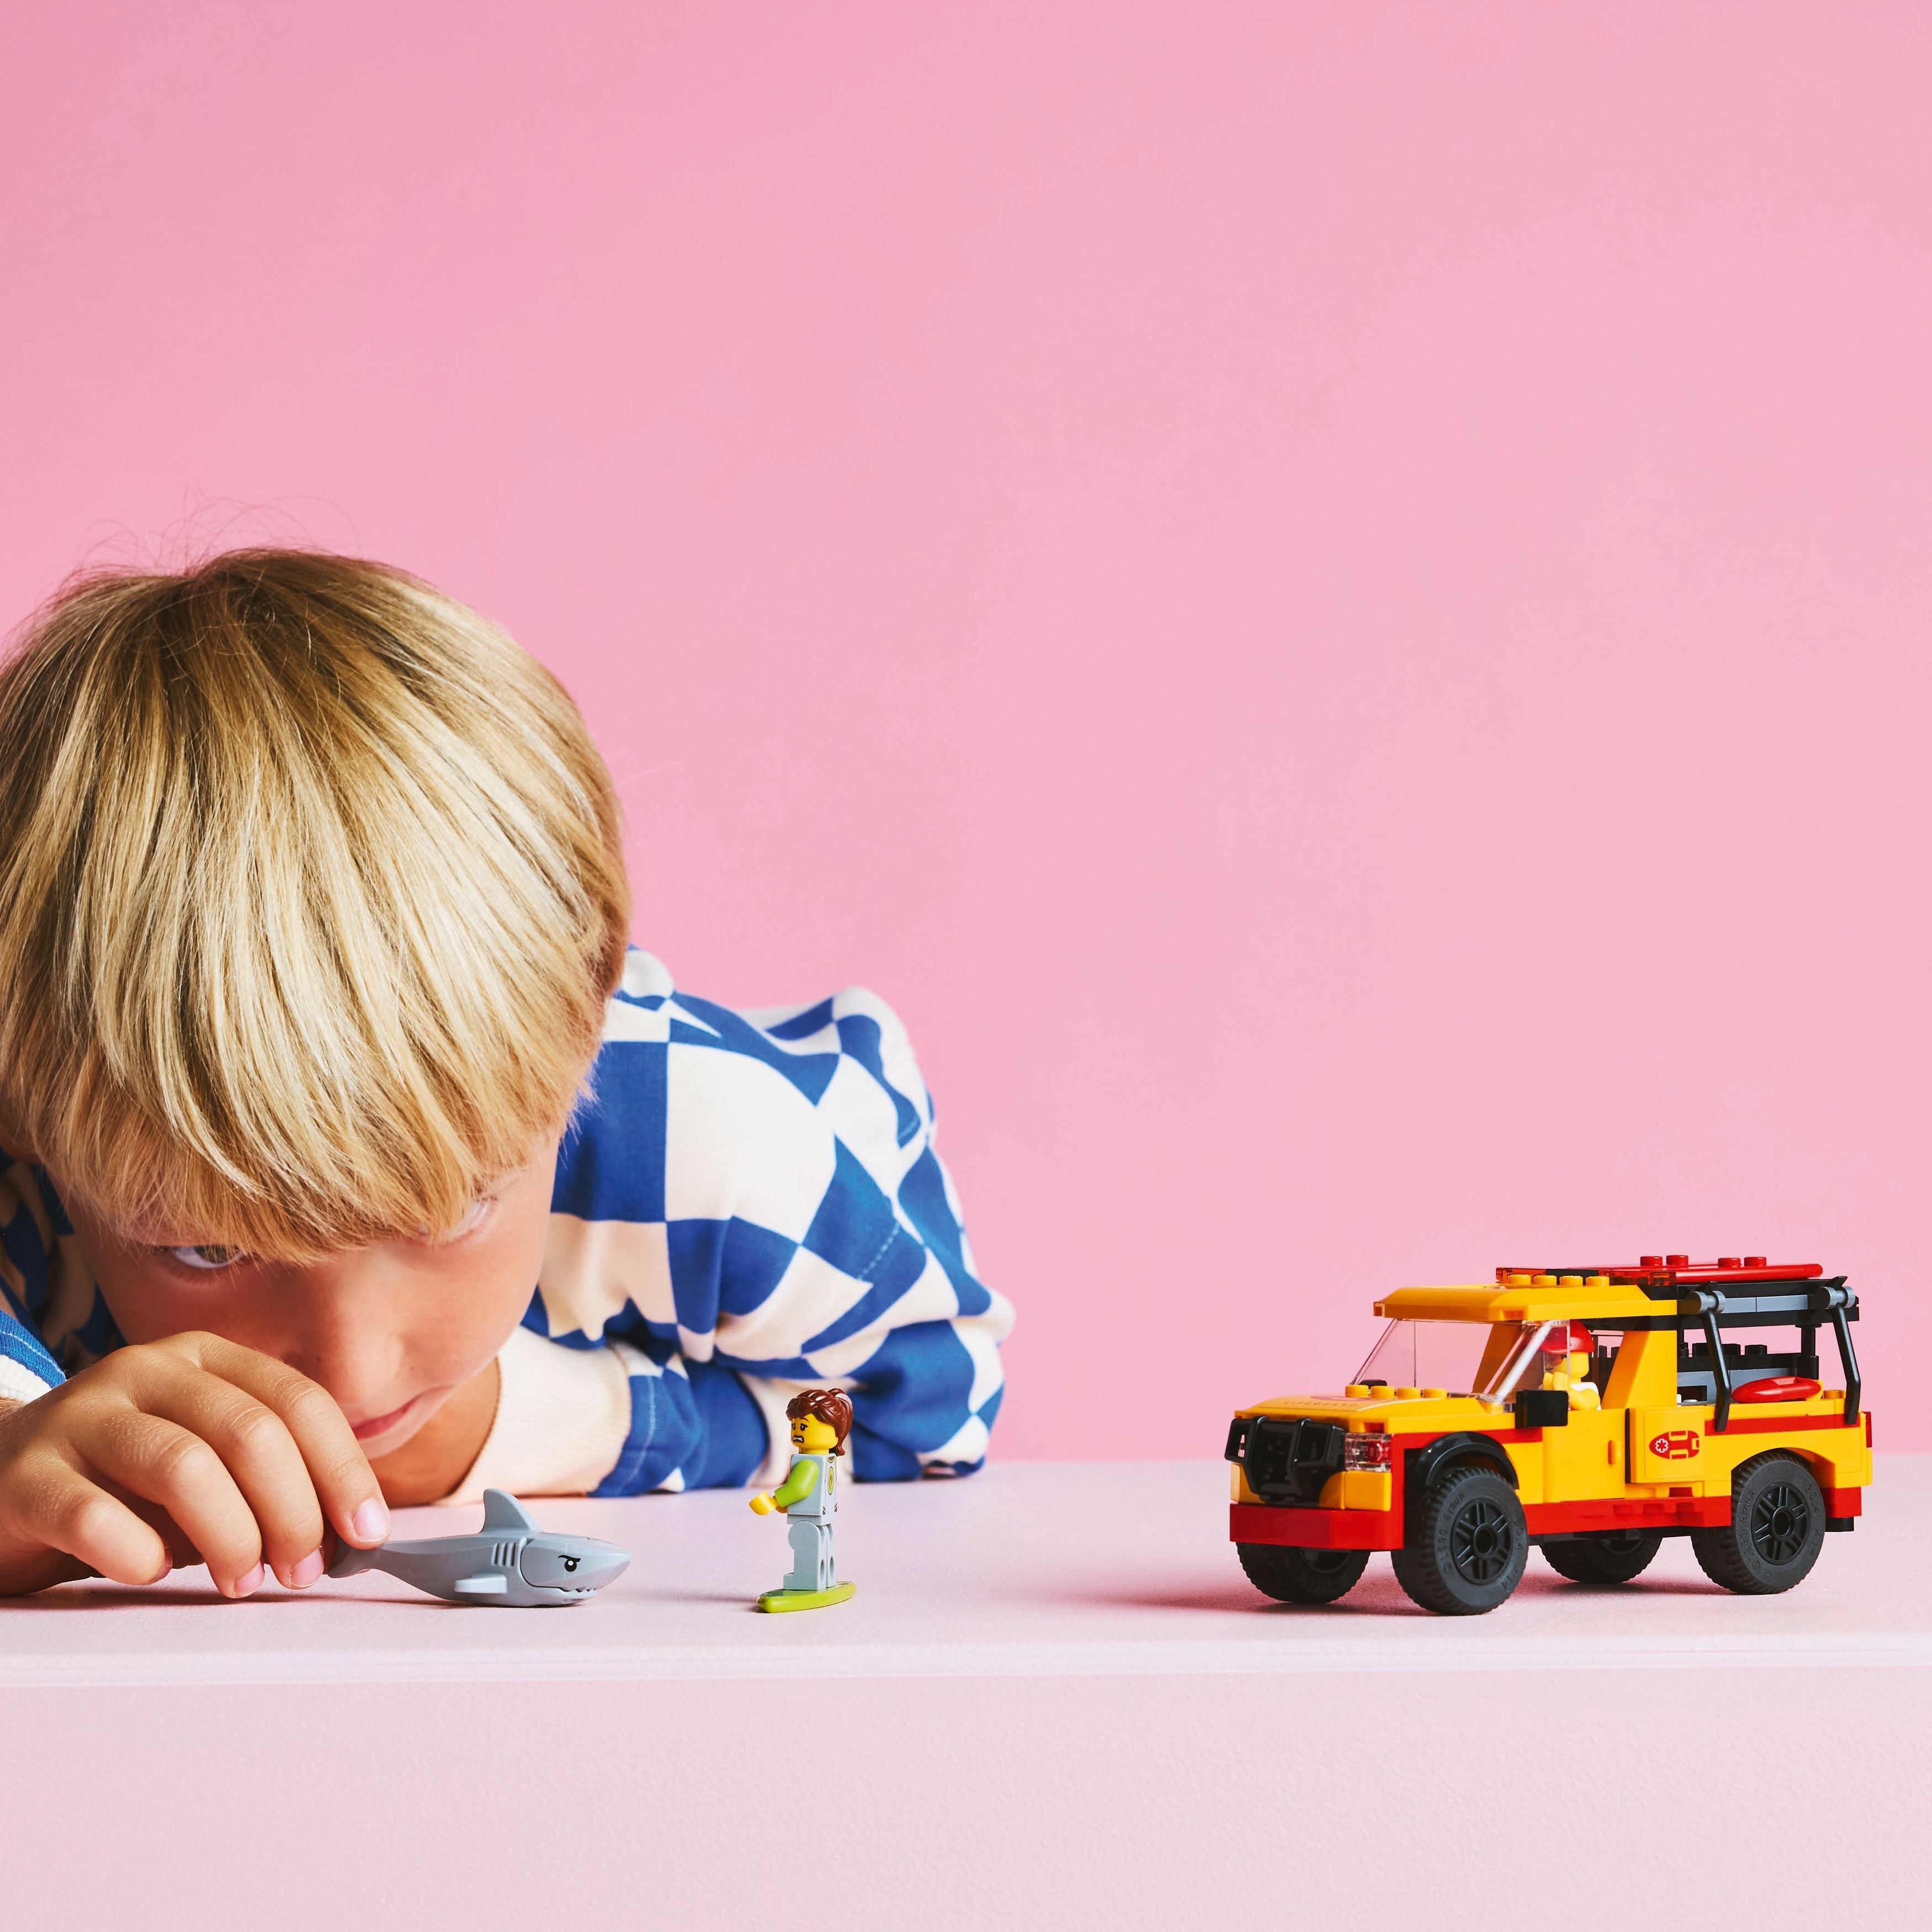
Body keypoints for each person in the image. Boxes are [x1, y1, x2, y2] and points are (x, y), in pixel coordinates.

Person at [0, 551, 1012, 1599]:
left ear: (588, 1011)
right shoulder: (50, 1097)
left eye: (451, 1211)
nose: (351, 1371)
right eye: (206, 1248)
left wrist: (549, 1425)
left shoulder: (711, 1144)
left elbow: (927, 1410)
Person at [749, 1386, 856, 1611]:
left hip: (808, 1520)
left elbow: (799, 1488)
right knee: (824, 1547)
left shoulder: (808, 1463)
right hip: (824, 1515)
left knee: (806, 1546)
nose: (797, 1431)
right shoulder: (828, 1461)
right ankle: (825, 1581)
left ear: (833, 1430)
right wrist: (786, 1505)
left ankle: (805, 1584)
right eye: (795, 1426)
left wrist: (773, 1502)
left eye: (804, 1426)